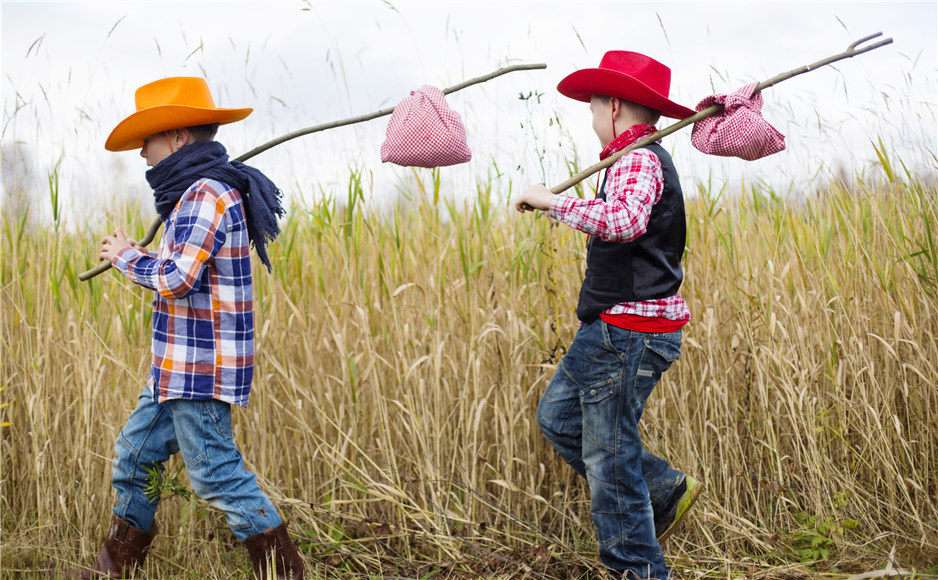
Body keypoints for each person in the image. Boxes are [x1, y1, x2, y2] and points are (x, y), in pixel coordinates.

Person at [84, 77, 304, 579]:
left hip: (198, 370)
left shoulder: (205, 194)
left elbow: (178, 278)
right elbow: (182, 265)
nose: (142, 151)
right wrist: (140, 253)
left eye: (148, 139)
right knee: (134, 454)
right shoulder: (194, 194)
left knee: (215, 473)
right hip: (175, 368)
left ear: (178, 136)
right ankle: (115, 567)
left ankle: (283, 573)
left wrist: (123, 258)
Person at [514, 51, 702, 579]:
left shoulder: (639, 159)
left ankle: (638, 570)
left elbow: (623, 221)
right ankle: (662, 490)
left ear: (614, 107)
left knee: (608, 457)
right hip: (611, 329)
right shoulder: (628, 159)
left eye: (594, 109)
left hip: (628, 332)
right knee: (559, 418)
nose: (593, 119)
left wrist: (552, 202)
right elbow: (618, 221)